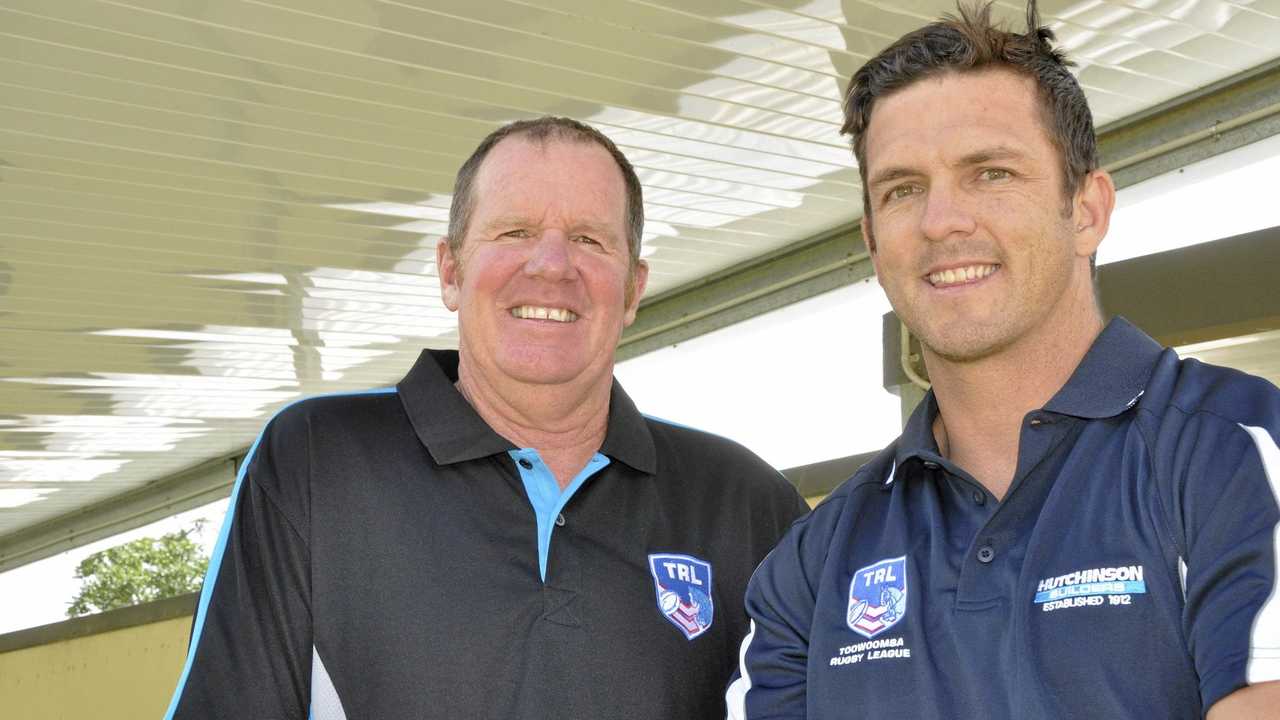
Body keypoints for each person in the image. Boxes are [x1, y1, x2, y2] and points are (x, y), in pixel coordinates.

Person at [727, 3, 1279, 718]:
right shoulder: (813, 564)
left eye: (991, 173)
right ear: (872, 240)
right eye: (902, 190)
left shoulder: (1237, 450)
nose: (942, 221)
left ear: (1086, 210)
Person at [163, 116, 808, 719]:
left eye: (588, 239)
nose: (552, 265)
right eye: (515, 232)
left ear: (633, 289)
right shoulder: (317, 458)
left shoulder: (746, 500)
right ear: (450, 271)